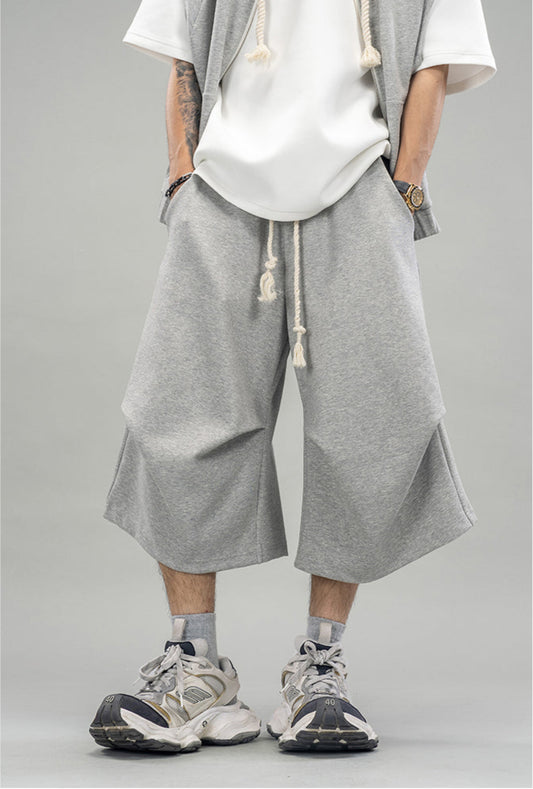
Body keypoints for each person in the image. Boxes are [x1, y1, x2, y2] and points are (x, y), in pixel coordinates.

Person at [90, 0, 496, 754]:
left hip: (360, 188)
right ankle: (194, 670)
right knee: (180, 417)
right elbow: (182, 49)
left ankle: (319, 669)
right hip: (220, 188)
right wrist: (181, 177)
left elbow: (434, 60)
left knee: (366, 429)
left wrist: (403, 192)